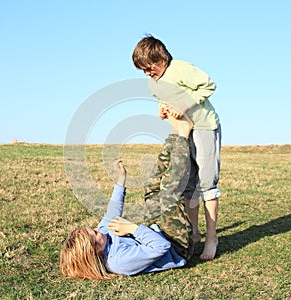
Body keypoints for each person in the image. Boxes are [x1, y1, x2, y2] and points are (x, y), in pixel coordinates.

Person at [59, 116, 194, 280]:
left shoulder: (103, 238)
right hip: (176, 247)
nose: (99, 230)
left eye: (93, 229)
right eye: (95, 234)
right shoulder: (120, 261)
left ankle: (175, 135)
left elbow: (111, 215)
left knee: (152, 187)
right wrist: (132, 229)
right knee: (169, 193)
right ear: (94, 251)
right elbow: (162, 247)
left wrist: (121, 180)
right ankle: (184, 134)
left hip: (157, 230)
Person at [132, 35, 221, 260]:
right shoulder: (153, 83)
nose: (147, 73)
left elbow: (208, 85)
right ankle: (194, 234)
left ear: (161, 58)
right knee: (187, 183)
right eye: (142, 70)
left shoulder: (179, 69)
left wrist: (185, 104)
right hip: (182, 132)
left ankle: (212, 238)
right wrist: (163, 110)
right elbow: (166, 102)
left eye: (149, 67)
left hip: (203, 127)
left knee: (206, 183)